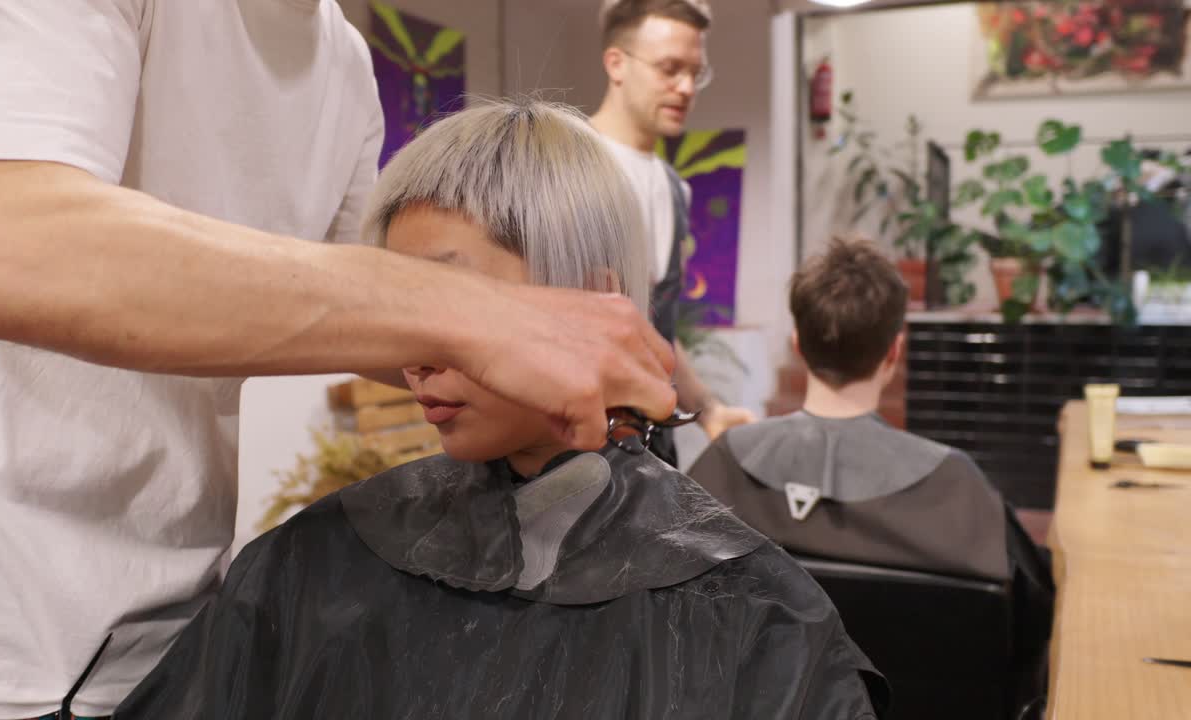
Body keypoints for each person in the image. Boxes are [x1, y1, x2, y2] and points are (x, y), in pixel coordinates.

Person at [0, 3, 676, 718]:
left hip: (171, 629)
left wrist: (537, 366)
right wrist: (481, 317)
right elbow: (18, 253)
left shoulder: (339, 57)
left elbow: (360, 317)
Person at [112, 100, 889, 720]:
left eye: (453, 298)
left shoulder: (761, 622)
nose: (413, 352)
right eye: (401, 307)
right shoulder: (310, 565)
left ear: (594, 294)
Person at [687, 237, 1055, 705]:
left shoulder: (722, 467)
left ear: (799, 344)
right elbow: (1032, 625)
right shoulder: (957, 487)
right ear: (894, 352)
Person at [589, 0, 756, 464]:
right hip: (575, 455)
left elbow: (653, 329)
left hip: (653, 454)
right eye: (669, 68)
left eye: (695, 73)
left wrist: (709, 412)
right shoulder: (569, 168)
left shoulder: (672, 188)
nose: (685, 87)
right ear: (616, 63)